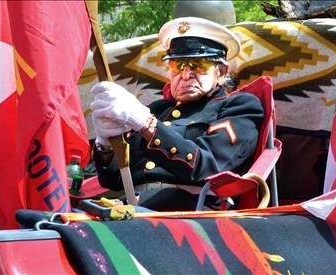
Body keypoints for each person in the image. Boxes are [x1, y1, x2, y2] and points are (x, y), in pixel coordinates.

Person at [90, 17, 264, 211]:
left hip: (191, 213)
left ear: (221, 73)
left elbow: (207, 166)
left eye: (199, 65)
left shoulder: (239, 106)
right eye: (178, 65)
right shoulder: (158, 109)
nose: (186, 74)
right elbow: (113, 179)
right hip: (135, 206)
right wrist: (105, 144)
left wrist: (147, 125)